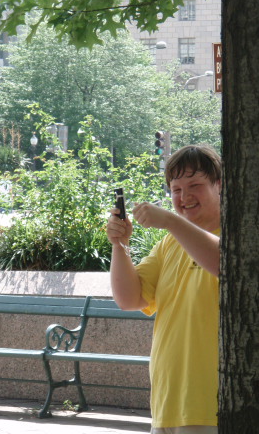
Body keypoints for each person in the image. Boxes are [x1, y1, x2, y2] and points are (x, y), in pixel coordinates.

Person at [106, 145, 221, 434]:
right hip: (168, 401)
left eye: (195, 185)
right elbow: (130, 299)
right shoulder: (169, 243)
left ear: (220, 185)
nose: (185, 197)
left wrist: (170, 221)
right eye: (176, 189)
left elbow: (224, 262)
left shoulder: (239, 233)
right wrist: (119, 245)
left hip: (213, 404)